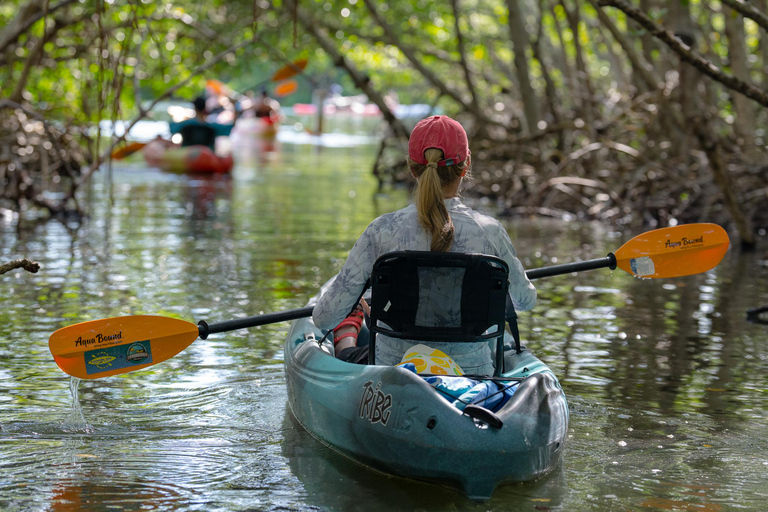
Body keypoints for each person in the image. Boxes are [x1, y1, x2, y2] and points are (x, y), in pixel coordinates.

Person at [312, 115, 537, 375]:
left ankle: (348, 334)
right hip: (474, 375)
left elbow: (324, 318)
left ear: (412, 168)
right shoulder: (489, 232)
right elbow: (525, 301)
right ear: (466, 166)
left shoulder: (382, 231)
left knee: (349, 350)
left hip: (393, 373)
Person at [169, 96, 237, 151]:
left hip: (188, 156)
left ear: (195, 108)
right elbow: (232, 126)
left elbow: (171, 128)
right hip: (208, 157)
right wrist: (234, 106)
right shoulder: (212, 126)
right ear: (205, 108)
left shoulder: (185, 124)